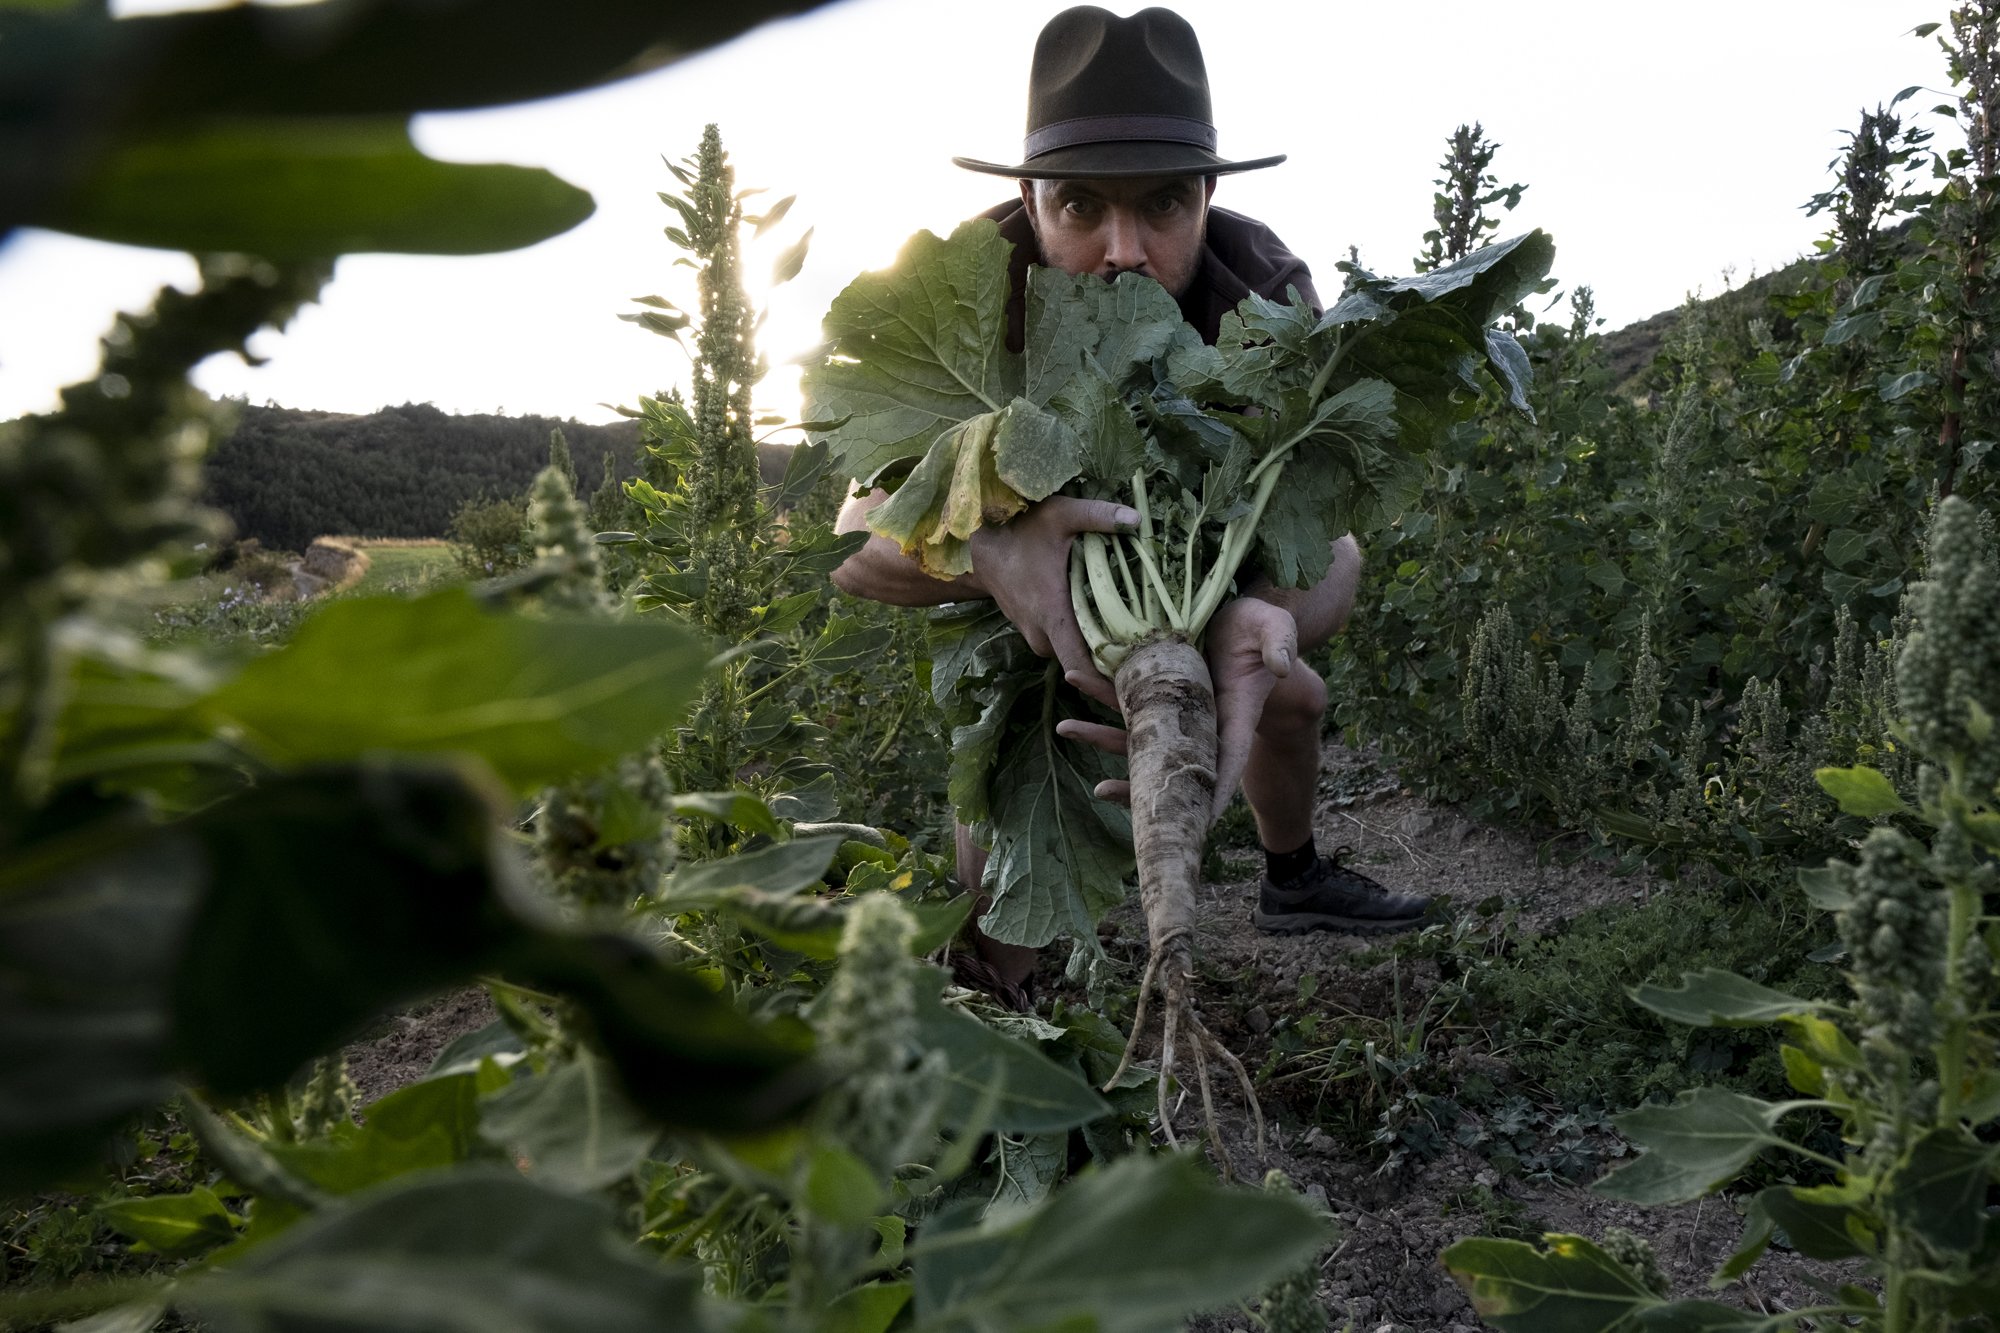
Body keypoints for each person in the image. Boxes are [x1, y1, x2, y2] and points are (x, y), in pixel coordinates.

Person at [831, 5, 1429, 995]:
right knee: (1009, 783)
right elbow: (850, 543)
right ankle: (996, 988)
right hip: (1023, 619)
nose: (1122, 249)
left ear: (1204, 194)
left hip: (1192, 582)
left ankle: (1292, 878)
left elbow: (1338, 546)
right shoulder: (962, 292)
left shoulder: (1261, 291)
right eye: (1077, 207)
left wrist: (1252, 613)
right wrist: (992, 553)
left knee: (1290, 694)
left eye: (1161, 205)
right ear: (1028, 198)